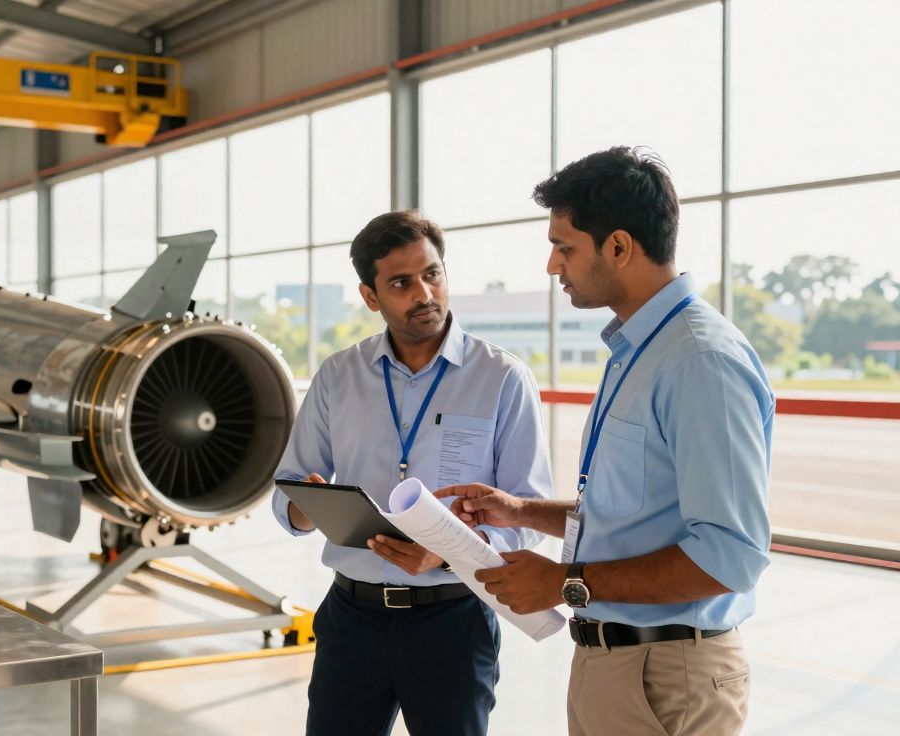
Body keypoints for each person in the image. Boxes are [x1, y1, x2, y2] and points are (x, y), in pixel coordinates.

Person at [437, 147, 773, 735]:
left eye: (564, 247)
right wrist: (520, 511)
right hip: (617, 662)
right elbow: (633, 513)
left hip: (670, 675)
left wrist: (565, 582)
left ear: (619, 247)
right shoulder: (640, 350)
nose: (551, 266)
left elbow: (730, 555)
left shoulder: (699, 361)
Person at [273, 210, 553, 736]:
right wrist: (306, 506)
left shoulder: (502, 378)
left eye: (432, 274)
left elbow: (526, 513)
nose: (423, 293)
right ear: (371, 296)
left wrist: (447, 553)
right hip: (352, 617)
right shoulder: (338, 375)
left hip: (453, 620)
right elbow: (291, 485)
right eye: (401, 283)